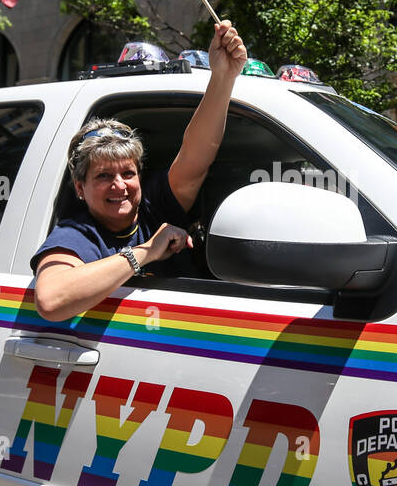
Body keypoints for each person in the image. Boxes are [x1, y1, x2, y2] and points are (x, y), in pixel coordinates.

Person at [31, 21, 248, 322]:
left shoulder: (153, 205)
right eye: (103, 176)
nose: (119, 186)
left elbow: (197, 156)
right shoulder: (76, 235)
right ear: (79, 188)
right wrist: (146, 251)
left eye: (128, 174)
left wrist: (223, 77)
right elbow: (51, 301)